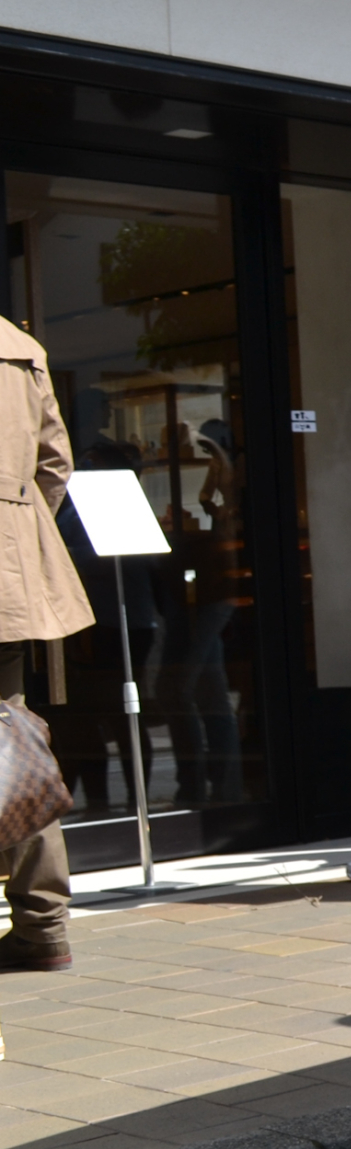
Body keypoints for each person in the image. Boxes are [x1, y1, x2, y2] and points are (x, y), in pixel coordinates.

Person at [0, 316, 97, 971]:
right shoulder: (20, 346)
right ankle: (44, 922)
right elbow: (53, 466)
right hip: (8, 575)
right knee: (10, 742)